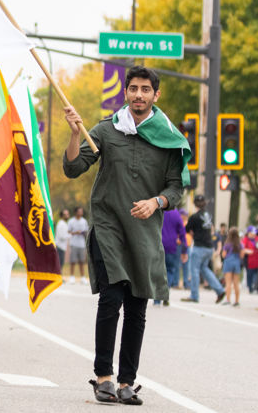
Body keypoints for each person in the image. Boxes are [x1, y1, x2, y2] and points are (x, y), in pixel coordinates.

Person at [63, 65, 187, 405]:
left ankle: (127, 382)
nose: (139, 95)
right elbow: (73, 168)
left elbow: (177, 189)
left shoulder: (169, 137)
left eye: (146, 89)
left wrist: (156, 202)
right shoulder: (107, 129)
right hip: (108, 227)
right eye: (133, 88)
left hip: (145, 233)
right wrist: (75, 134)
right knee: (111, 298)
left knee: (137, 308)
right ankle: (103, 376)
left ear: (155, 95)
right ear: (126, 92)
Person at [182, 195, 226, 304]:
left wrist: (193, 232)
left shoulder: (194, 217)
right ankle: (220, 290)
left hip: (199, 246)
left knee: (195, 270)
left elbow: (186, 229)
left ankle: (194, 295)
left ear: (195, 204)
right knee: (205, 269)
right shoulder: (208, 215)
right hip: (209, 246)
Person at [154, 206, 186, 306]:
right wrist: (185, 250)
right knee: (170, 271)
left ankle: (157, 299)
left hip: (158, 245)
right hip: (172, 247)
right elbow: (182, 232)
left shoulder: (158, 210)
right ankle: (165, 294)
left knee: (158, 271)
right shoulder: (176, 214)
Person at [221, 227, 245, 306]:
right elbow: (242, 255)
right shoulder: (240, 244)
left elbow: (224, 255)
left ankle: (228, 299)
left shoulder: (227, 244)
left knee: (228, 283)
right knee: (236, 283)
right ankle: (237, 301)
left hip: (228, 262)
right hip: (236, 262)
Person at [67, 207, 89, 283]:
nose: (81, 213)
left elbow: (87, 231)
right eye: (79, 211)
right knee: (73, 261)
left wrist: (83, 233)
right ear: (76, 212)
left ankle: (83, 277)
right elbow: (68, 232)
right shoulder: (71, 221)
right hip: (73, 243)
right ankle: (72, 277)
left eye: (81, 211)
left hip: (82, 244)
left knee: (82, 261)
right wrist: (75, 232)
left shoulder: (84, 221)